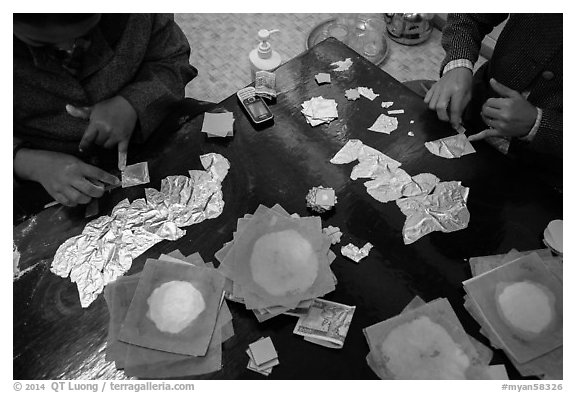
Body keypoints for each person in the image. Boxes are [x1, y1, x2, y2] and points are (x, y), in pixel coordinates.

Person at [13, 14, 199, 213]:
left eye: (86, 31)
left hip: (154, 138)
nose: (69, 47)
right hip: (39, 182)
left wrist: (133, 102)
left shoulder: (137, 15)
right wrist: (27, 162)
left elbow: (173, 58)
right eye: (40, 42)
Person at [424, 14, 562, 187]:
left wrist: (540, 125)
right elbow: (470, 15)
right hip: (474, 108)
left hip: (550, 177)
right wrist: (459, 62)